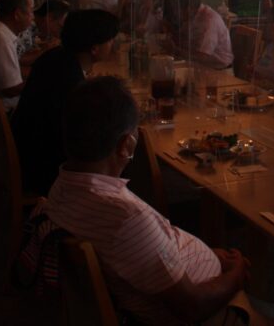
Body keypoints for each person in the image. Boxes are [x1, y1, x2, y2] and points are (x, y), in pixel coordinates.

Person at [42, 76, 254, 325]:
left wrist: (204, 255)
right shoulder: (126, 218)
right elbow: (193, 306)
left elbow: (138, 254)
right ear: (126, 145)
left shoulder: (61, 187)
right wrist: (236, 275)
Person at [12, 9, 119, 196]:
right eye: (110, 40)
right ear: (94, 49)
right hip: (44, 168)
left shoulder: (55, 57)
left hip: (26, 151)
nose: (113, 45)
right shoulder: (71, 82)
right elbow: (80, 137)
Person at [164, 0, 233, 69]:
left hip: (218, 70)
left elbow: (203, 57)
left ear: (188, 9)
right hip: (196, 66)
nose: (173, 13)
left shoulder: (208, 21)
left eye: (175, 9)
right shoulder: (191, 15)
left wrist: (176, 51)